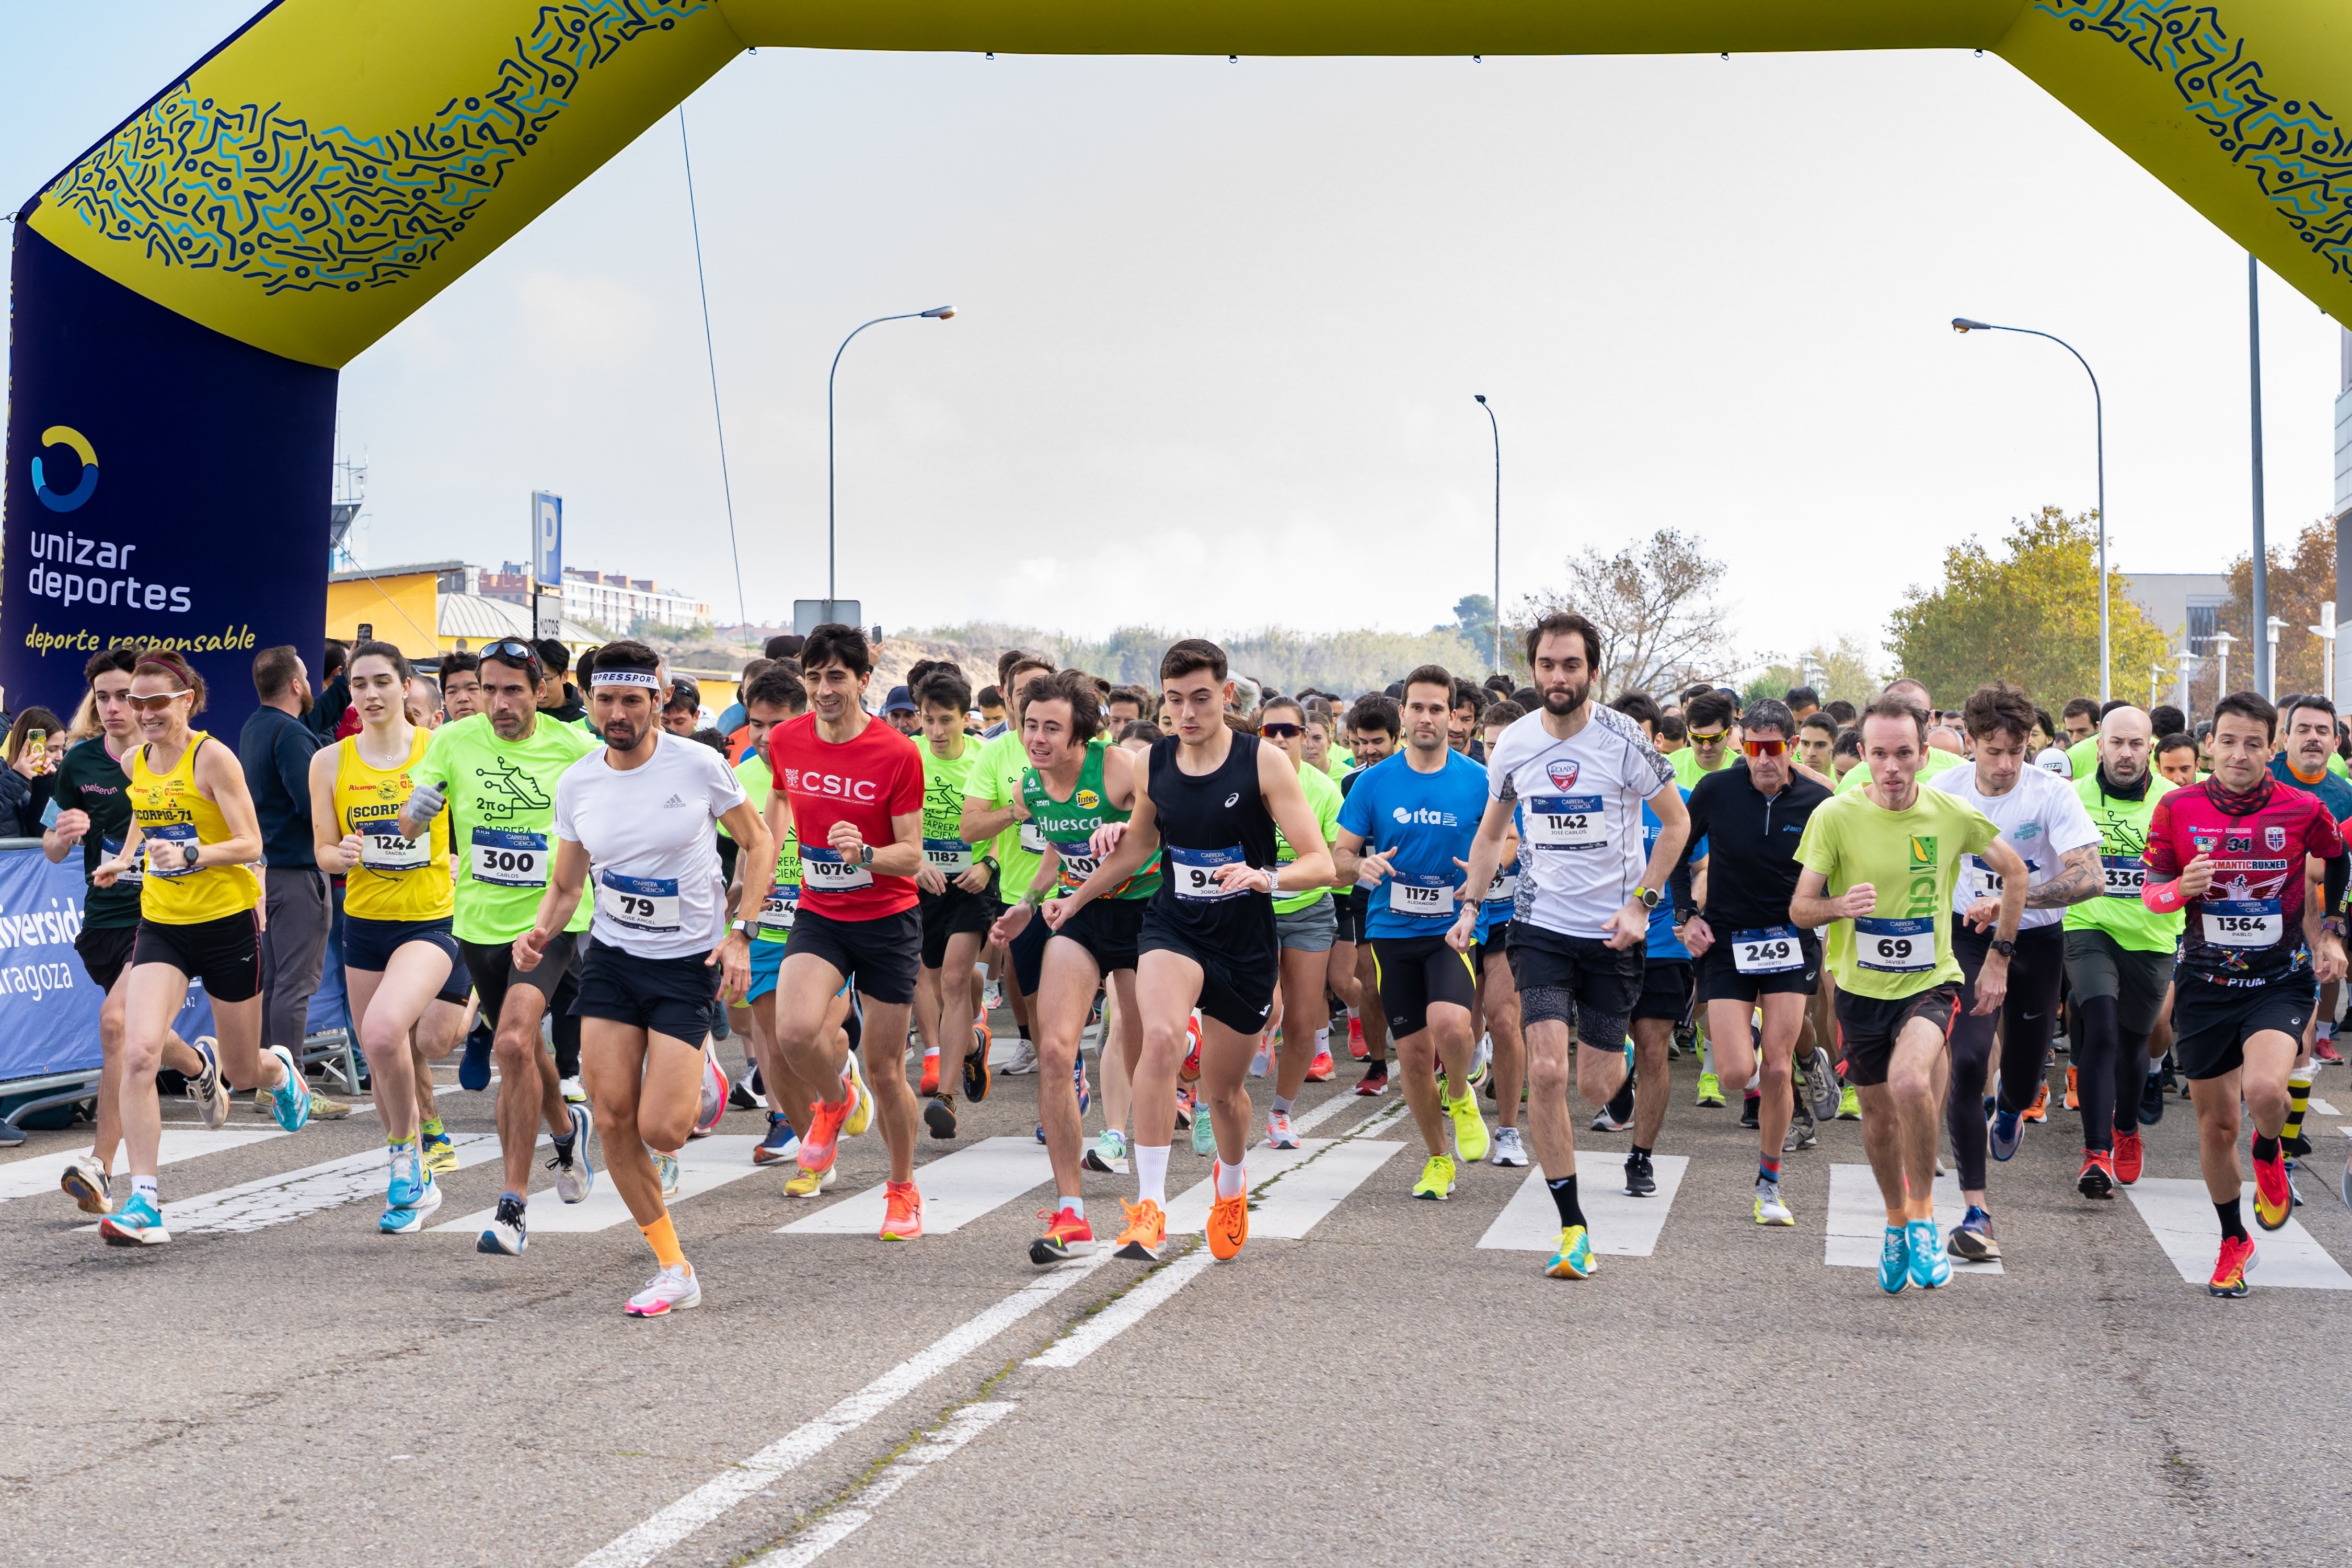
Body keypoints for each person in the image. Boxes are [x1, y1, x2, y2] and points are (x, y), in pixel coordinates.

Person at [1054, 639, 1334, 1264]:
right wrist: (1075, 899)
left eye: (1201, 698)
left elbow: (1320, 864)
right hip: (1173, 926)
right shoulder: (1154, 764)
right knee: (1157, 1039)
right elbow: (1137, 849)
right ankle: (1149, 1209)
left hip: (1244, 940)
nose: (1187, 712)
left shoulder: (1263, 762)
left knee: (1225, 1094)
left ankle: (1230, 1188)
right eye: (1175, 700)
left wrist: (1267, 878)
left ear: (1226, 696)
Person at [515, 639, 769, 1314]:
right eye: (605, 700)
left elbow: (759, 839)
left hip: (688, 963)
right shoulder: (578, 781)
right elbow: (568, 883)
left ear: (658, 701)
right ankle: (673, 1266)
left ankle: (703, 1074)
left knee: (663, 1132)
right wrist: (541, 929)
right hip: (615, 959)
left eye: (632, 700)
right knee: (615, 1118)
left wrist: (741, 930)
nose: (618, 713)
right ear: (590, 703)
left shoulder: (700, 765)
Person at [1452, 612, 1690, 1280]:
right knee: (1548, 1072)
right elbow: (1489, 833)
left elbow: (1677, 824)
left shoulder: (1624, 741)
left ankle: (1622, 1096)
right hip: (1542, 927)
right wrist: (1470, 903)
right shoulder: (1515, 745)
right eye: (1548, 666)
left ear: (1593, 671)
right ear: (1534, 670)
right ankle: (1573, 1228)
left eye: (1572, 666)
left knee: (1595, 1082)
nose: (1559, 678)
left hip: (1612, 933)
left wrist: (1642, 905)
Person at [1791, 693, 2024, 1294]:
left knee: (1911, 1082)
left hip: (1931, 981)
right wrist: (1838, 906)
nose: (1891, 768)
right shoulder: (1836, 817)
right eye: (1878, 755)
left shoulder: (1949, 814)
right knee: (1876, 1120)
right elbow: (1799, 909)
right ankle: (1895, 1222)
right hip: (1860, 991)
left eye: (1903, 754)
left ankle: (1922, 1216)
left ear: (1924, 753)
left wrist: (1999, 954)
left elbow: (2016, 872)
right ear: (1862, 756)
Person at [90, 651, 313, 1244]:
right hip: (162, 923)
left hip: (226, 924)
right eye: (136, 703)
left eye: (156, 702)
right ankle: (145, 1203)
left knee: (243, 1073)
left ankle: (280, 1071)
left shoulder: (212, 757)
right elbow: (150, 813)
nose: (143, 713)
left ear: (187, 699)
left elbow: (250, 843)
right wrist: (125, 857)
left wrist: (192, 855)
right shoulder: (137, 758)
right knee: (138, 1053)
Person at [2140, 690, 2346, 1295]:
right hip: (2205, 983)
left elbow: (2338, 860)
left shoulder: (2303, 808)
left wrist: (2330, 930)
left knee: (2264, 1091)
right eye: (2228, 741)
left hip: (2278, 981)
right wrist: (2181, 887)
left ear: (2272, 747)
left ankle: (2270, 1147)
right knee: (2216, 1127)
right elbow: (2152, 893)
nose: (2239, 754)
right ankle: (2234, 1239)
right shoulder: (2177, 808)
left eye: (2254, 743)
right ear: (2210, 744)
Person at [400, 637, 599, 1253]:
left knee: (512, 1040)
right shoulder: (452, 740)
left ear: (540, 690)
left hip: (550, 919)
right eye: (488, 689)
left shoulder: (575, 747)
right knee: (523, 1049)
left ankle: (511, 1207)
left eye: (513, 689)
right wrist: (416, 809)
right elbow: (410, 827)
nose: (499, 701)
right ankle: (567, 1132)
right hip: (479, 921)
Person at [986, 669, 1157, 1262]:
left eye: (1052, 728)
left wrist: (1127, 823)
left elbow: (1159, 829)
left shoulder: (1117, 768)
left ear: (1080, 733)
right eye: (1030, 725)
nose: (1038, 738)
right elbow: (1060, 846)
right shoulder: (1031, 787)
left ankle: (1149, 1205)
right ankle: (1072, 1213)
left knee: (1146, 1048)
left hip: (1144, 916)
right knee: (1057, 1051)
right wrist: (1025, 905)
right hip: (1078, 916)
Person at [1930, 683, 2103, 1260]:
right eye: (1992, 751)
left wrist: (2016, 900)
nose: (2005, 765)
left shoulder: (2051, 793)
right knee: (1970, 1058)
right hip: (1966, 939)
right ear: (1969, 745)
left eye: (2016, 751)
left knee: (2026, 1076)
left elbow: (2090, 878)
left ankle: (2010, 1111)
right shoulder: (1944, 790)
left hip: (2037, 940)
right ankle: (1976, 1209)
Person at [767, 624, 926, 1237]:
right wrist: (761, 864)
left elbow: (912, 856)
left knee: (885, 1069)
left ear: (864, 680)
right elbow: (781, 802)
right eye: (814, 677)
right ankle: (834, 1101)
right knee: (794, 1030)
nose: (824, 690)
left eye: (837, 677)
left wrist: (863, 855)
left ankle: (903, 1189)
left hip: (887, 919)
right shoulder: (787, 739)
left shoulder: (896, 753)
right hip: (821, 913)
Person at [309, 641, 473, 1230]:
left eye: (383, 681)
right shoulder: (330, 762)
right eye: (359, 685)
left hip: (432, 918)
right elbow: (323, 850)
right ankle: (411, 1168)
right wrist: (342, 853)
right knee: (384, 1051)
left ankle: (408, 1162)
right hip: (366, 925)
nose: (371, 694)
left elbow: (480, 823)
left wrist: (461, 860)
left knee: (387, 1032)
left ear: (408, 687)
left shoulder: (442, 749)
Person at [48, 650, 215, 1213]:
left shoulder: (176, 758)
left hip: (161, 917)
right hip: (103, 922)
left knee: (117, 1024)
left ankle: (101, 1167)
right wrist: (63, 834)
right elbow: (50, 846)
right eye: (105, 698)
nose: (118, 708)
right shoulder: (80, 764)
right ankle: (197, 1066)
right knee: (139, 1037)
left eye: (128, 697)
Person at [1336, 666, 1493, 1200]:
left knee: (1452, 1027)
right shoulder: (1372, 782)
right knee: (1414, 1057)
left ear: (1453, 717)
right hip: (1392, 930)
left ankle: (1463, 1093)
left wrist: (1479, 872)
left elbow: (1511, 840)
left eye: (1437, 708)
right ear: (1402, 714)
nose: (1426, 717)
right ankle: (1437, 1159)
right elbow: (1339, 856)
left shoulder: (1478, 780)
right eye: (1417, 708)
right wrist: (1362, 866)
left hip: (1452, 927)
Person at [1671, 697, 1830, 1224]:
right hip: (1727, 940)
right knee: (1740, 1072)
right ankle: (1811, 1061)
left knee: (1778, 1067)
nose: (1764, 760)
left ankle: (1770, 1182)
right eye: (1756, 748)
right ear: (1744, 744)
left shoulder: (1816, 801)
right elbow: (1677, 847)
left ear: (1791, 748)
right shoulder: (1717, 791)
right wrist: (1686, 913)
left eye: (1776, 749)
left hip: (1789, 935)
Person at [241, 644, 347, 1119]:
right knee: (295, 985)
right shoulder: (290, 734)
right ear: (297, 685)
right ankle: (290, 1083)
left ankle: (270, 1079)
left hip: (268, 872)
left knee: (278, 982)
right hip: (299, 874)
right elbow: (312, 806)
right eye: (307, 678)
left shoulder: (255, 726)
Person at [962, 653, 1058, 1075]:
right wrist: (1016, 812)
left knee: (1061, 994)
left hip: (1075, 891)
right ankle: (1040, 1051)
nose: (1034, 701)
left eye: (1044, 691)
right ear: (1008, 696)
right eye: (1024, 693)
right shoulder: (995, 752)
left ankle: (1070, 1074)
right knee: (1027, 988)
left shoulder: (1086, 747)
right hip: (1021, 894)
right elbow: (971, 828)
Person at [910, 667, 996, 1134]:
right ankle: (971, 1045)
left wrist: (990, 866)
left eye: (947, 720)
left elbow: (1002, 817)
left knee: (956, 982)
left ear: (967, 718)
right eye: (928, 720)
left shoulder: (985, 758)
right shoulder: (907, 755)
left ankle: (944, 1097)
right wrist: (914, 861)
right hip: (922, 883)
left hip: (971, 883)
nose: (937, 731)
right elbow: (891, 818)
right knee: (935, 979)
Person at [1254, 696, 1344, 1132]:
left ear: (1304, 737)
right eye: (1268, 731)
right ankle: (1261, 1032)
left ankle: (1280, 1114)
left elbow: (1332, 863)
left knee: (1304, 1023)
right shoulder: (1245, 783)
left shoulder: (1324, 790)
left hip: (1308, 910)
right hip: (1254, 910)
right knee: (1268, 1008)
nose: (1278, 739)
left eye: (1288, 731)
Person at [1474, 700, 1530, 1166]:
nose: (1499, 756)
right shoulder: (1473, 785)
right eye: (1491, 747)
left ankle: (1509, 1130)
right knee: (1463, 1027)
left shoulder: (1544, 789)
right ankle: (1471, 1064)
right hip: (1465, 918)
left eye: (1507, 746)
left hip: (1514, 921)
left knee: (1505, 1019)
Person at [1336, 696, 1401, 1093]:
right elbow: (1346, 849)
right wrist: (1359, 865)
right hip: (1367, 892)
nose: (1368, 751)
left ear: (1398, 736)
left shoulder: (1417, 774)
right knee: (1372, 985)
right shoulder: (1351, 782)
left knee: (1417, 984)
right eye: (1360, 742)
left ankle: (1437, 1060)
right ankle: (1378, 1065)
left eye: (1377, 741)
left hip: (1419, 891)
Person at [1671, 689, 1737, 791]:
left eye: (1715, 738)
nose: (1706, 747)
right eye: (1698, 738)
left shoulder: (1745, 770)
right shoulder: (1668, 768)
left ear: (1729, 733)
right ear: (1688, 734)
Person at [439, 652, 484, 722]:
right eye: (453, 692)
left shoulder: (504, 732)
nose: (462, 699)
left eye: (472, 689)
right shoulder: (438, 733)